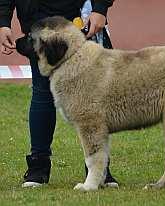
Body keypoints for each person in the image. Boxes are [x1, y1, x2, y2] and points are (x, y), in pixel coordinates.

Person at [0, 0, 118, 188]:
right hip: (37, 21)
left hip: (79, 20)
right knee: (42, 93)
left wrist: (100, 9)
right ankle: (38, 168)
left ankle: (99, 170)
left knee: (90, 100)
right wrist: (3, 22)